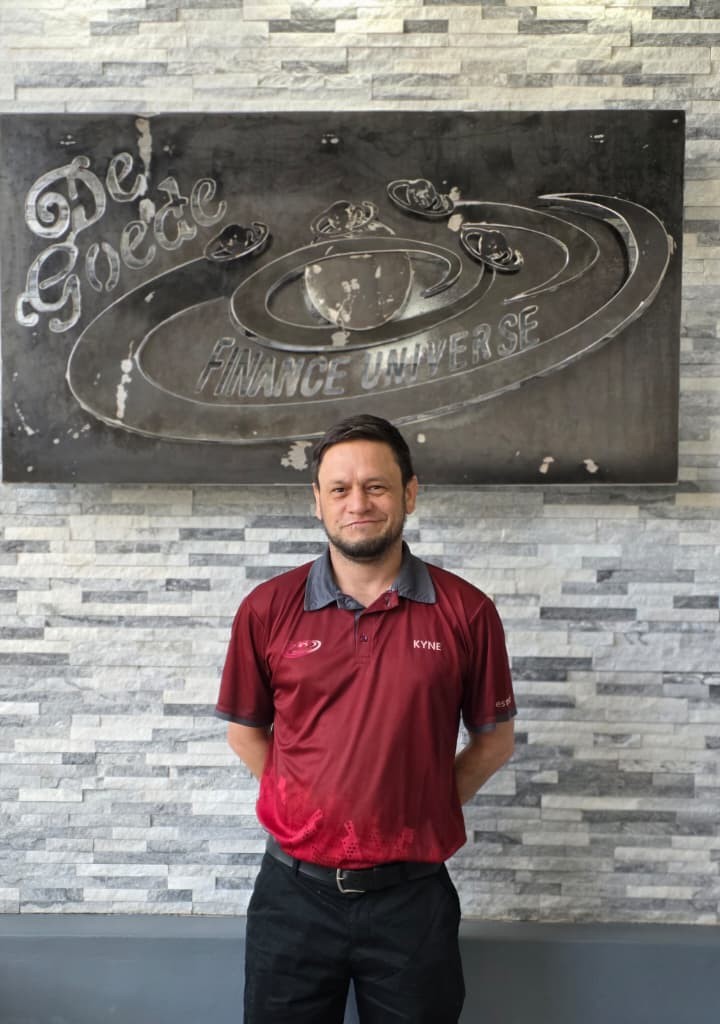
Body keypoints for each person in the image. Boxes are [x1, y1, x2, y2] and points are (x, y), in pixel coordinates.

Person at [216, 414, 516, 1024]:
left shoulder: (467, 612)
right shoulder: (267, 609)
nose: (358, 503)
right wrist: (304, 802)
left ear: (409, 493)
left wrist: (420, 805)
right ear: (318, 501)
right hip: (291, 899)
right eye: (340, 489)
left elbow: (494, 742)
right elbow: (246, 732)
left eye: (376, 486)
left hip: (413, 903)